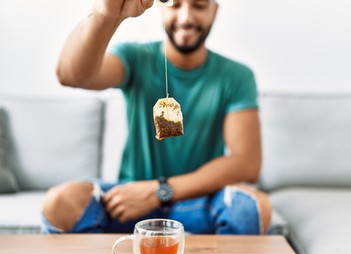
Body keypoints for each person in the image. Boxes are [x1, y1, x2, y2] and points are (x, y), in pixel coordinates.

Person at [42, 0, 271, 235]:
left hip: (198, 203)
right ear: (161, 8)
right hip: (129, 203)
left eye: (199, 6)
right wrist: (105, 15)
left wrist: (159, 192)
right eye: (175, 5)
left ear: (214, 10)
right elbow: (70, 75)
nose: (185, 18)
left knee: (252, 207)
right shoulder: (135, 57)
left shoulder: (236, 76)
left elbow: (247, 164)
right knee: (61, 201)